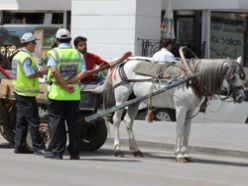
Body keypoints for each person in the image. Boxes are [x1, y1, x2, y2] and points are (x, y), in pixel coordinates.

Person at [11, 32, 46, 155]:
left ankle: (19, 146)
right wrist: (41, 73)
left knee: (22, 122)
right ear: (29, 44)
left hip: (19, 92)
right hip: (26, 94)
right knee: (34, 121)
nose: (35, 45)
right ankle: (38, 147)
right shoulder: (25, 57)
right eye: (34, 43)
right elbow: (30, 74)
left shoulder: (17, 56)